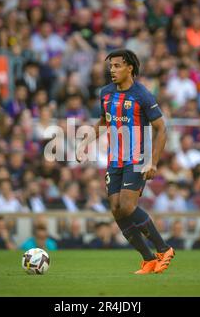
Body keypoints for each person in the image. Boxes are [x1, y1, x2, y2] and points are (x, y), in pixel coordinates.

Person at [77, 49, 174, 274]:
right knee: (116, 209)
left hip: (137, 159)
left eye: (117, 65)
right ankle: (148, 259)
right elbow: (104, 121)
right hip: (115, 159)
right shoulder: (106, 93)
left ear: (130, 68)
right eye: (111, 66)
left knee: (128, 206)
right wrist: (84, 143)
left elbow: (161, 129)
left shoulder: (142, 95)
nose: (112, 70)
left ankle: (164, 248)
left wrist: (153, 162)